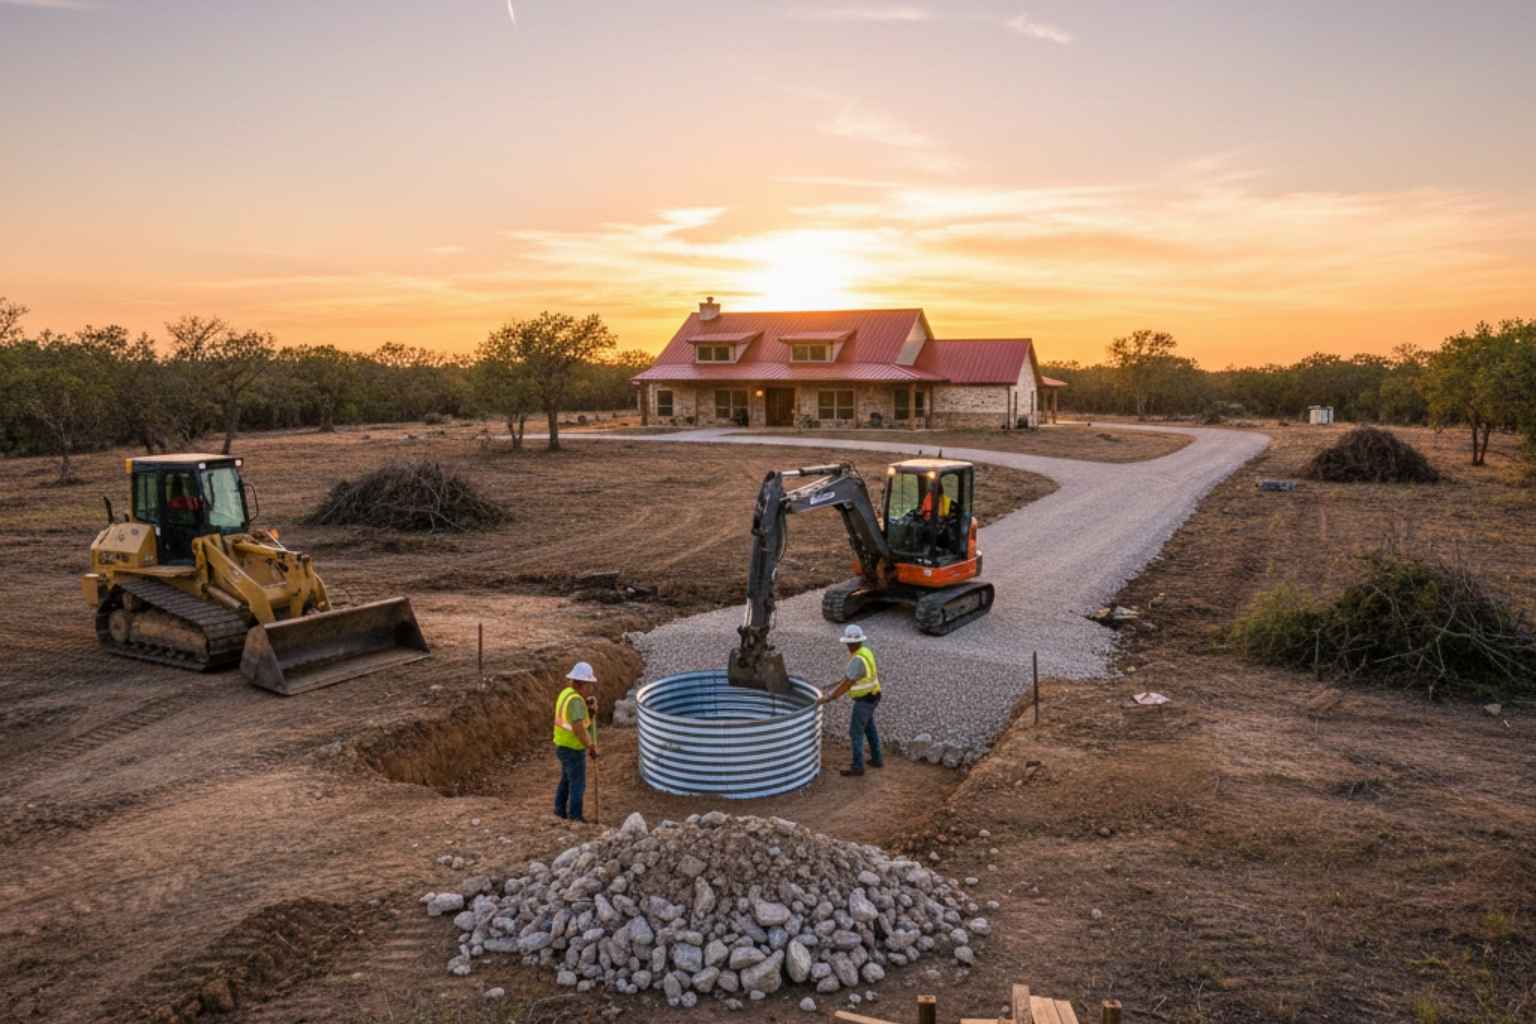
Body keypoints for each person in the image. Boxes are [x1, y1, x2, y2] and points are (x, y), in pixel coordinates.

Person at [816, 624, 883, 776]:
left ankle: (858, 767)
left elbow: (846, 684)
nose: (847, 645)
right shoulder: (865, 651)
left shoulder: (857, 659)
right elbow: (850, 677)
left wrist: (829, 697)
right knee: (869, 727)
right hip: (874, 695)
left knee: (855, 732)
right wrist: (844, 680)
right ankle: (877, 759)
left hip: (865, 700)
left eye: (848, 643)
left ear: (850, 643)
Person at [553, 661, 600, 821]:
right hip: (573, 749)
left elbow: (576, 718)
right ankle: (575, 817)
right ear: (582, 683)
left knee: (566, 779)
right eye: (589, 684)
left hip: (561, 745)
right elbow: (579, 728)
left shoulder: (567, 693)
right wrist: (591, 746)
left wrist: (588, 711)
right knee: (578, 784)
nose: (590, 688)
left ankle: (559, 810)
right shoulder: (575, 702)